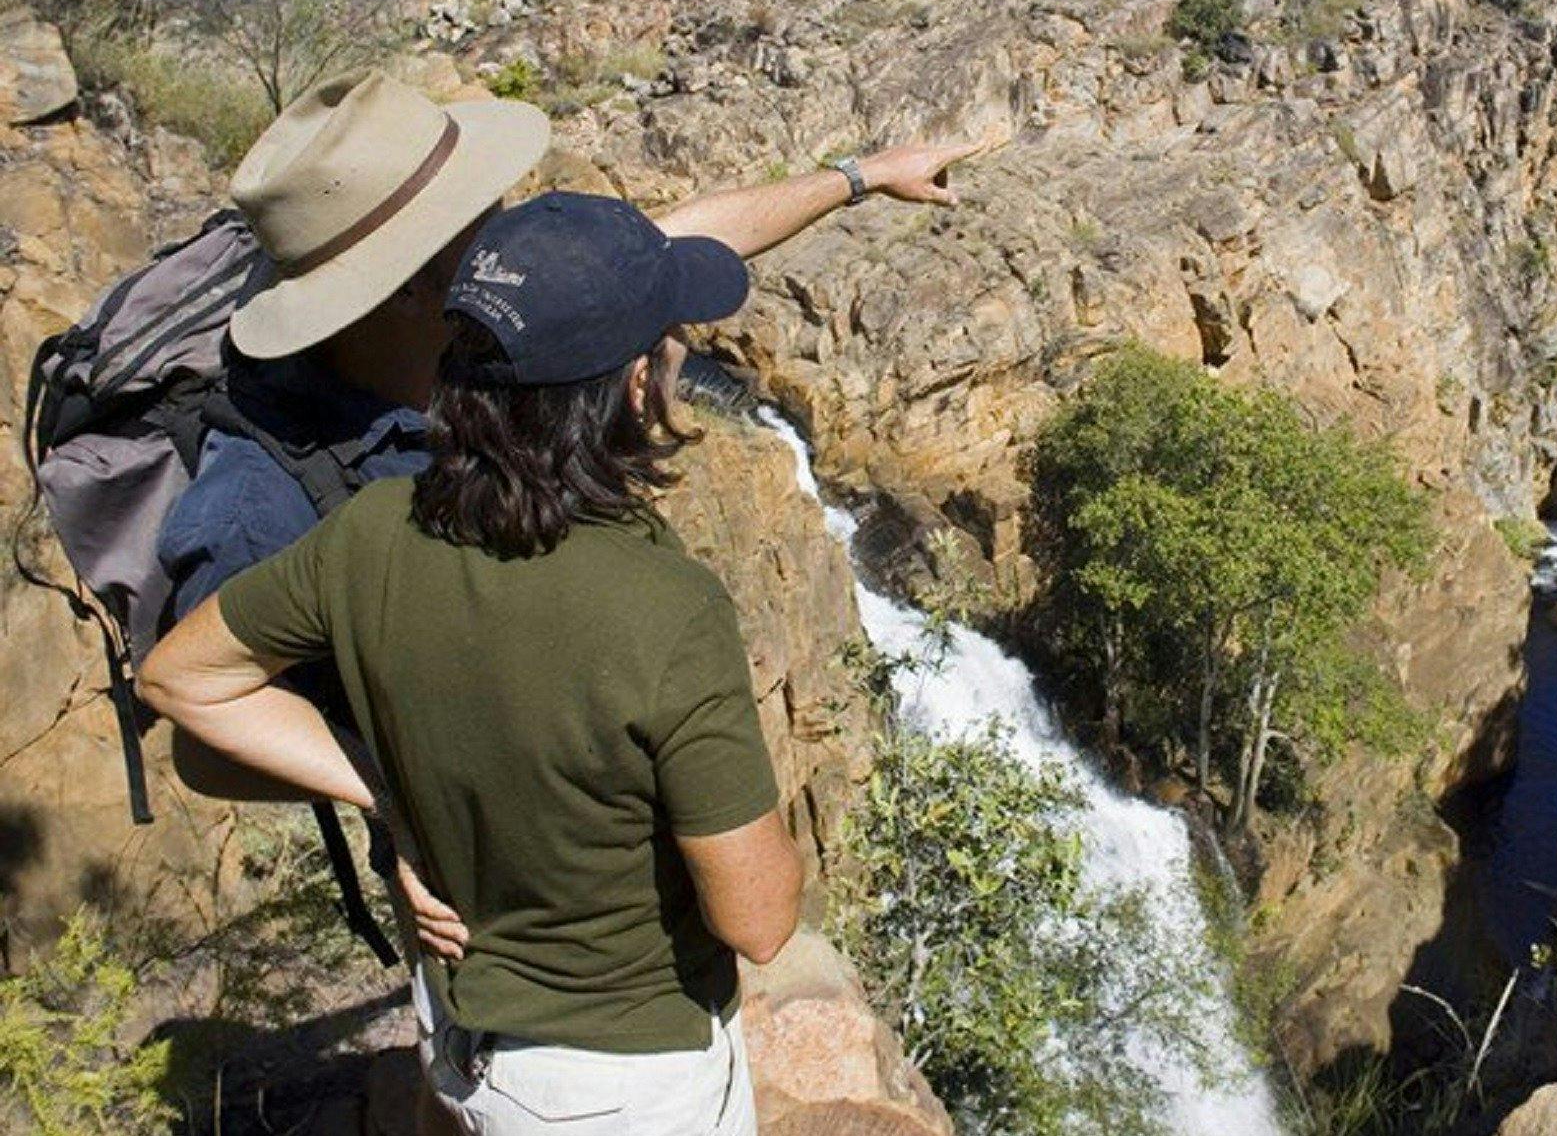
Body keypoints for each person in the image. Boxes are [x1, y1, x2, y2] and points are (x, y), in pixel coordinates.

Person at [140, 193, 801, 1136]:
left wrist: (386, 790)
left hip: (462, 1036)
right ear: (634, 390)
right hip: (624, 1084)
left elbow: (179, 678)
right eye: (669, 343)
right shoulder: (666, 610)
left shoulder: (370, 530)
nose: (679, 361)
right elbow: (760, 922)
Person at [158, 68, 981, 803]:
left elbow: (655, 251)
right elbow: (209, 748)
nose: (506, 228)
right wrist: (402, 802)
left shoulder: (466, 323)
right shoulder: (254, 500)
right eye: (474, 217)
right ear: (405, 283)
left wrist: (861, 176)